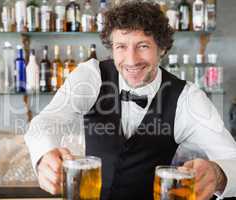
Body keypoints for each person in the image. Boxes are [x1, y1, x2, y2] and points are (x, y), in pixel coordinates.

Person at [24, 1, 236, 200]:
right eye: (121, 47)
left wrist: (218, 174)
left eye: (142, 46)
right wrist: (44, 156)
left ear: (161, 48)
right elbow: (45, 122)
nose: (131, 60)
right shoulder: (91, 75)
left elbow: (232, 158)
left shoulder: (187, 98)